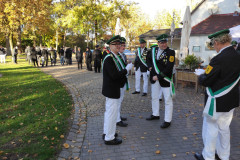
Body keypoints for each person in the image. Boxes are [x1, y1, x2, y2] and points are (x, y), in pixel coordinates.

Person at [194, 29, 240, 160]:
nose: (214, 47)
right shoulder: (238, 55)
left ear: (218, 42)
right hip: (231, 99)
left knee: (211, 129)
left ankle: (208, 156)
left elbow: (207, 80)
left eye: (213, 44)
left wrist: (201, 76)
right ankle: (223, 156)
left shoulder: (218, 59)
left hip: (216, 101)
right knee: (224, 129)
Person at [102, 35, 132, 145]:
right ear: (110, 46)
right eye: (116, 44)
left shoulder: (115, 56)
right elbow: (114, 75)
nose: (118, 46)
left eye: (119, 44)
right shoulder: (109, 58)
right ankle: (109, 138)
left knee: (110, 113)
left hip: (113, 89)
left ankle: (107, 133)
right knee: (111, 114)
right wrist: (126, 70)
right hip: (112, 90)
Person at [146, 34, 175, 129]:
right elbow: (148, 59)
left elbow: (169, 67)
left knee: (167, 100)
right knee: (154, 97)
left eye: (165, 42)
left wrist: (158, 76)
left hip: (165, 79)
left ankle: (167, 120)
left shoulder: (171, 52)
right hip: (154, 78)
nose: (164, 44)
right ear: (158, 43)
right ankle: (155, 114)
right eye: (162, 43)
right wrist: (149, 66)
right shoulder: (153, 50)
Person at [116, 37, 129, 127]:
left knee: (120, 100)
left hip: (123, 81)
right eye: (122, 46)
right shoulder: (116, 57)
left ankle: (118, 116)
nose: (124, 47)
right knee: (117, 101)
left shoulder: (123, 55)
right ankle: (117, 119)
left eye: (124, 46)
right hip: (118, 82)